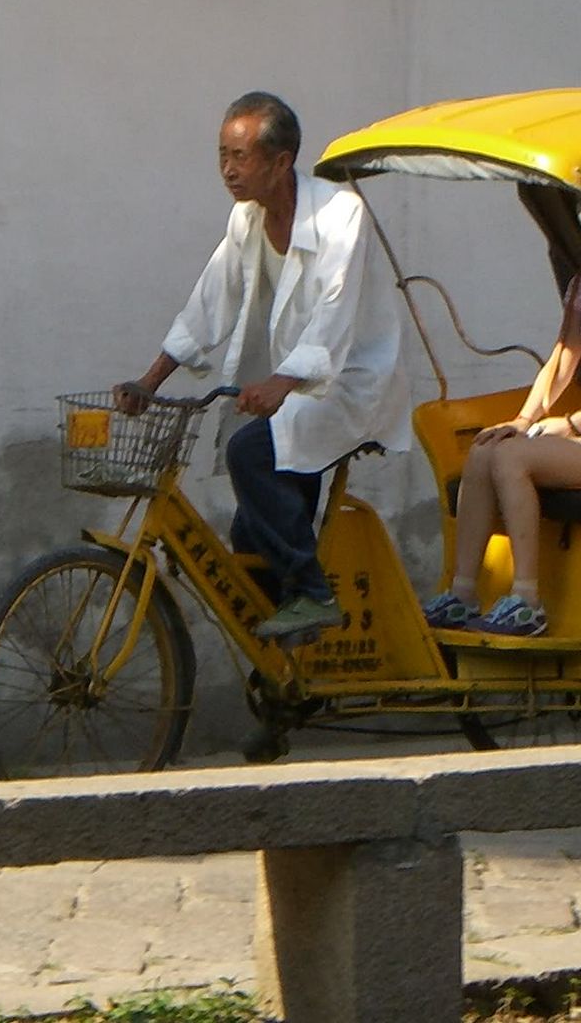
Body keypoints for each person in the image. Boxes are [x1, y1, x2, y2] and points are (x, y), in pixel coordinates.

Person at [117, 92, 411, 640]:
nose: (229, 169)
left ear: (282, 161)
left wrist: (284, 381)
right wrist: (150, 379)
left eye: (241, 156)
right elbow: (210, 300)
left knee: (249, 451)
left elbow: (335, 311)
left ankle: (311, 592)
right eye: (222, 154)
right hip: (291, 386)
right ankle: (287, 677)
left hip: (349, 383)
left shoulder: (340, 213)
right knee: (250, 539)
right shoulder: (246, 218)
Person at [420, 192, 581, 636]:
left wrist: (573, 423)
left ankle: (527, 600)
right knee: (486, 451)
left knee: (510, 460)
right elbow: (562, 361)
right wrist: (522, 421)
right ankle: (462, 594)